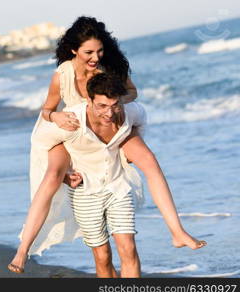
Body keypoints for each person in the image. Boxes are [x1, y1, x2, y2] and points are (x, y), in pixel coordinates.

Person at [26, 73, 207, 277]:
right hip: (86, 192)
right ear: (89, 100)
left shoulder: (130, 112)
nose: (110, 112)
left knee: (128, 248)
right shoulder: (73, 120)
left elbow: (141, 121)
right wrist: (65, 171)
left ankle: (177, 233)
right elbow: (41, 142)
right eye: (102, 106)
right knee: (102, 256)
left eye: (115, 105)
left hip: (117, 187)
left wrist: (132, 147)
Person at [8, 16, 138, 274]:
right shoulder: (63, 74)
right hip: (67, 131)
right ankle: (22, 251)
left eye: (99, 50)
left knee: (110, 249)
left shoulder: (108, 71)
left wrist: (118, 103)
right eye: (89, 52)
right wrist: (55, 115)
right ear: (73, 50)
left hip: (96, 132)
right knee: (52, 176)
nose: (95, 56)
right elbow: (47, 109)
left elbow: (133, 92)